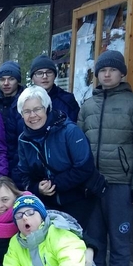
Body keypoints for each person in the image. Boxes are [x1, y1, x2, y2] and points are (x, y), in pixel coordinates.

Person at [78, 50, 133, 266]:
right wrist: (82, 180)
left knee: (119, 238)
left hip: (120, 183)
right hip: (92, 184)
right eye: (102, 70)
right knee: (94, 239)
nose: (107, 74)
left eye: (112, 70)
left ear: (122, 73)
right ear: (97, 74)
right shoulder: (88, 105)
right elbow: (78, 147)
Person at [17, 85, 99, 229]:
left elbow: (85, 167)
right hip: (46, 204)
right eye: (27, 111)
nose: (32, 115)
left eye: (37, 109)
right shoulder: (23, 140)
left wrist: (54, 184)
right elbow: (24, 174)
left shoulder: (70, 131)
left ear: (47, 108)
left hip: (78, 201)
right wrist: (37, 188)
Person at [0, 61, 26, 186]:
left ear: (17, 80)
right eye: (2, 79)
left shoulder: (26, 102)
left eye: (11, 79)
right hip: (0, 163)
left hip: (20, 162)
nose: (6, 83)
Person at [29, 55, 80, 123]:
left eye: (49, 72)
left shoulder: (67, 100)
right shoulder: (24, 101)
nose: (45, 76)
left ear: (55, 76)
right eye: (39, 73)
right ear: (32, 78)